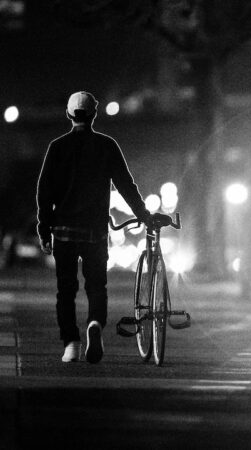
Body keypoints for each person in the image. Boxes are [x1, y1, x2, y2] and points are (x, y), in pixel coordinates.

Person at [37, 91, 162, 363]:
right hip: (95, 231)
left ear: (69, 115)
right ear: (94, 115)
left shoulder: (57, 147)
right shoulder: (107, 145)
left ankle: (71, 344)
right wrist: (142, 213)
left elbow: (44, 192)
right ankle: (95, 323)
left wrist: (44, 228)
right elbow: (125, 184)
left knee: (66, 289)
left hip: (64, 232)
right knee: (96, 286)